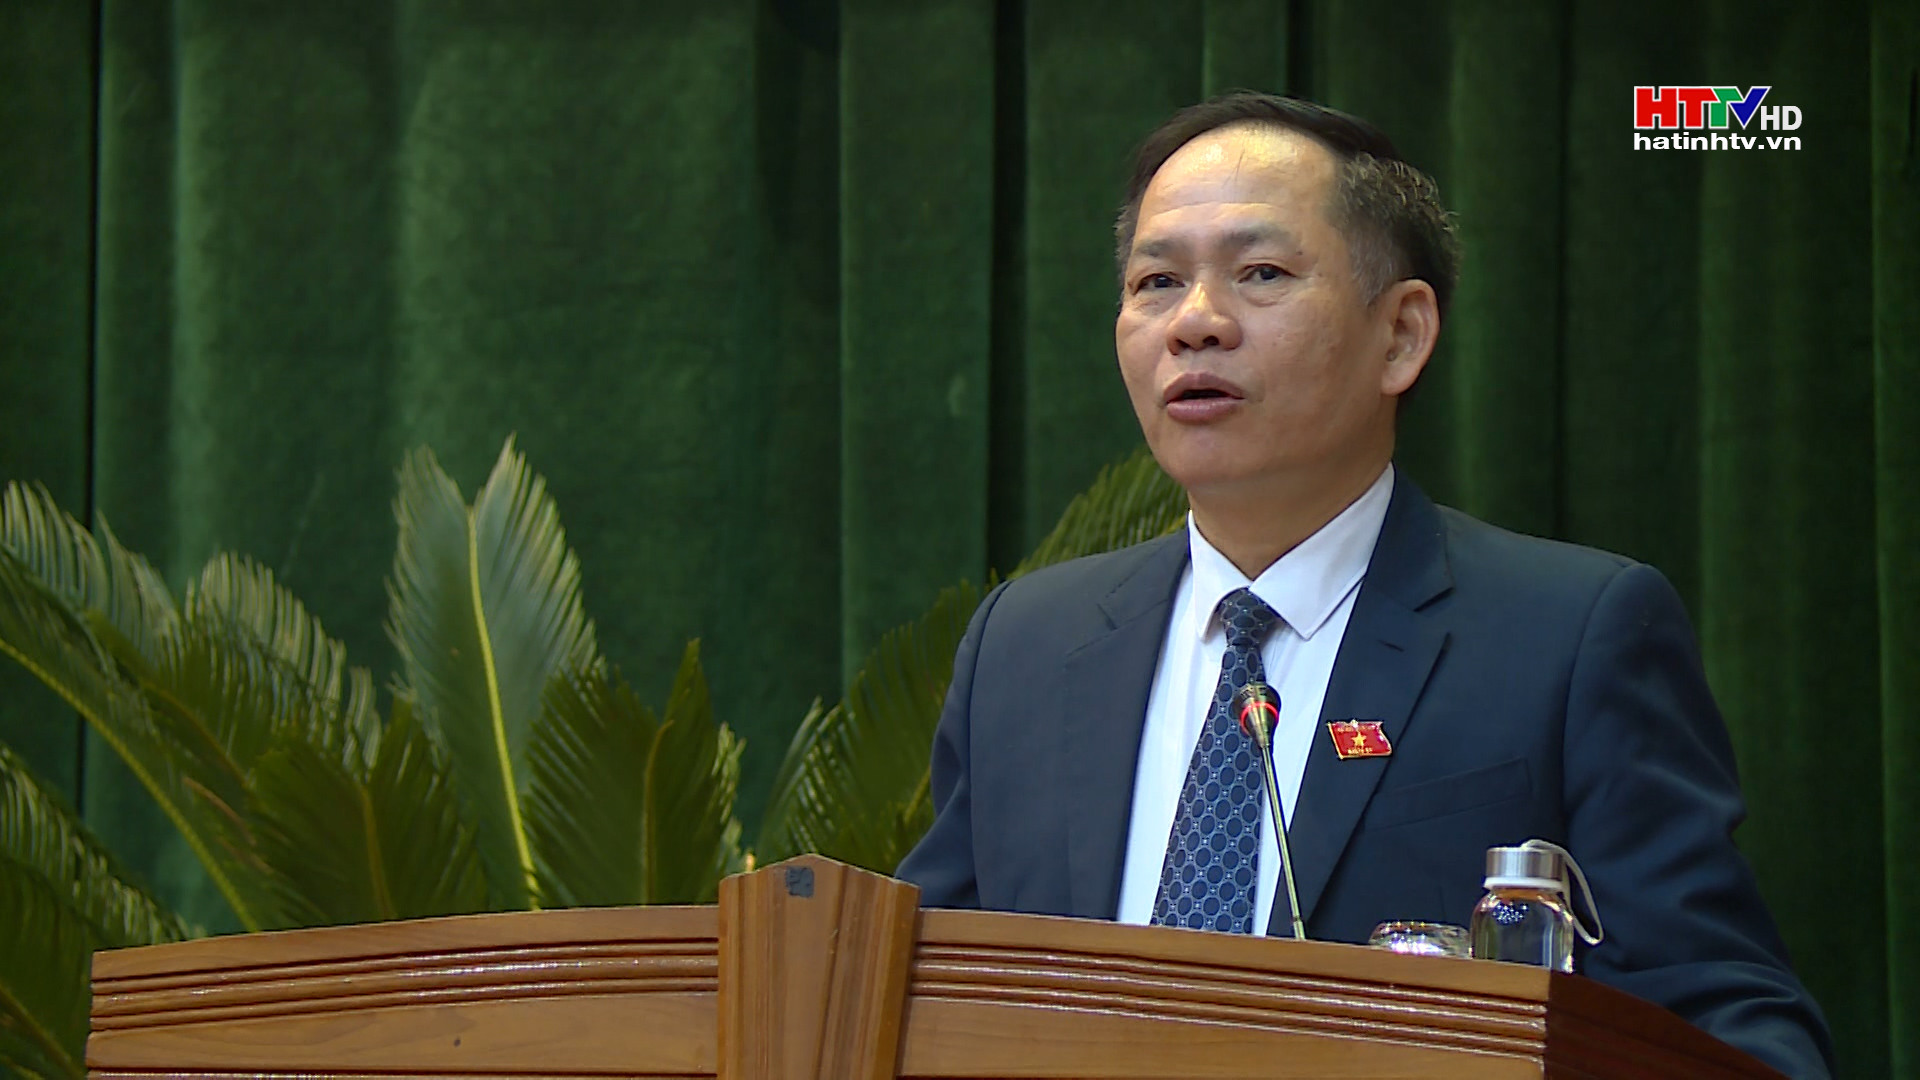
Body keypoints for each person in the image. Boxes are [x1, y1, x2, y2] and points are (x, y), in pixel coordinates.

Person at [894, 92, 1833, 1078]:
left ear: (1402, 335)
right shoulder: (1026, 648)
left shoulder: (1566, 639)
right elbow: (910, 999)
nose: (1195, 323)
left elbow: (1733, 1033)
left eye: (1261, 273)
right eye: (1157, 281)